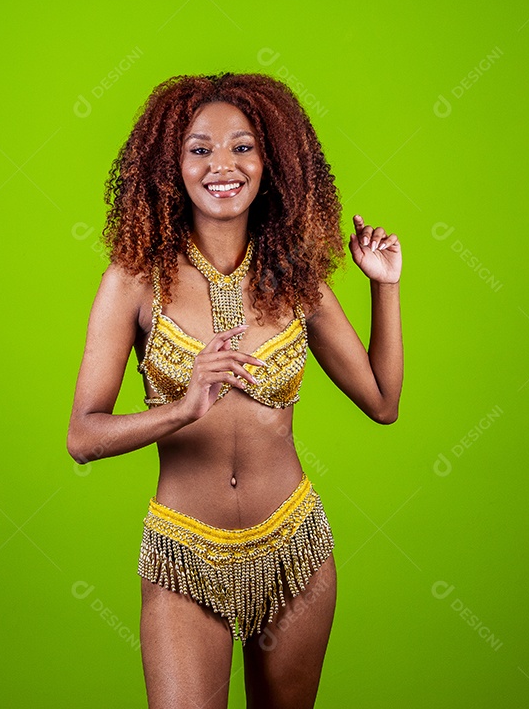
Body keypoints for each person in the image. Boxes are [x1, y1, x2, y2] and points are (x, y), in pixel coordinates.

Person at [67, 72, 403, 709]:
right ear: (171, 167)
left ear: (270, 160)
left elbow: (383, 403)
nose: (223, 165)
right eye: (200, 149)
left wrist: (383, 286)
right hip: (184, 557)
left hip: (294, 546)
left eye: (242, 146)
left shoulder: (297, 277)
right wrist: (182, 407)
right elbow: (83, 436)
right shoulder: (134, 280)